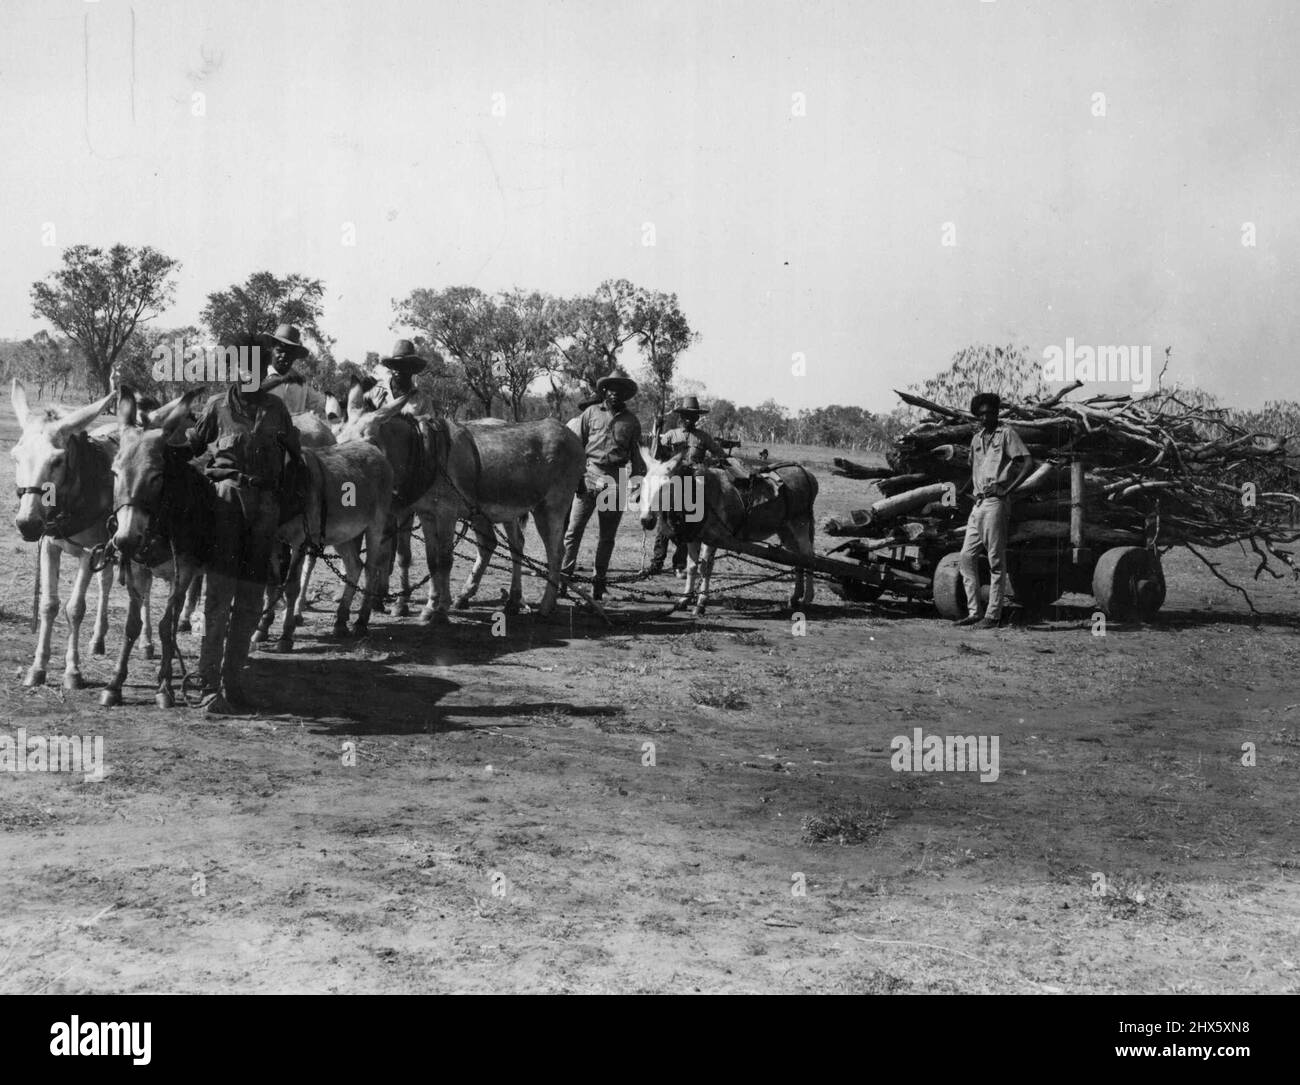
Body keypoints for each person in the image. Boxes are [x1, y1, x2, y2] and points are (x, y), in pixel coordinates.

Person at [187, 334, 302, 712]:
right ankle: (208, 684)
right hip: (225, 506)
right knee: (218, 597)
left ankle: (234, 682)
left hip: (264, 511)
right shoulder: (217, 407)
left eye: (255, 368)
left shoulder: (277, 410)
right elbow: (191, 448)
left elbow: (295, 458)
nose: (248, 374)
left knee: (250, 599)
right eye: (243, 366)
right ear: (234, 368)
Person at [561, 374, 646, 601]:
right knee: (572, 532)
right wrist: (578, 477)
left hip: (616, 479)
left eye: (620, 389)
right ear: (605, 391)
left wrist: (637, 484)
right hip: (590, 475)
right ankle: (562, 580)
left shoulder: (631, 421)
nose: (615, 393)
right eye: (611, 388)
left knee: (607, 537)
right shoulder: (589, 414)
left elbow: (636, 456)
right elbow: (576, 448)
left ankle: (599, 585)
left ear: (625, 394)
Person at [956, 392, 1033, 630]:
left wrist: (1007, 489)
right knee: (966, 558)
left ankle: (993, 614)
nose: (986, 417)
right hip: (977, 504)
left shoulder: (1007, 434)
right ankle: (973, 612)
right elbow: (973, 471)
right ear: (977, 417)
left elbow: (1028, 462)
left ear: (997, 413)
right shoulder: (976, 438)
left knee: (995, 561)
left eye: (990, 413)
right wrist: (961, 493)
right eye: (981, 414)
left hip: (995, 504)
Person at [649, 395, 729, 575]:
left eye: (692, 416)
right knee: (663, 524)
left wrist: (709, 463)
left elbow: (720, 454)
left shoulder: (703, 437)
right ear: (680, 417)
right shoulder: (671, 434)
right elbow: (656, 454)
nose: (688, 419)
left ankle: (679, 565)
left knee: (686, 526)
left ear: (696, 418)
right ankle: (657, 563)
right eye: (685, 415)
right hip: (671, 483)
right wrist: (658, 427)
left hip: (693, 485)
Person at [264, 323, 329, 417]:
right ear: (271, 350)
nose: (283, 356)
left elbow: (320, 402)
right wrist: (280, 380)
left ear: (295, 357)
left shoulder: (300, 382)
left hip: (296, 430)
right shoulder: (259, 376)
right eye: (279, 350)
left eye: (289, 353)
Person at [365, 339, 432, 414]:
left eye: (403, 365)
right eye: (395, 365)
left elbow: (430, 421)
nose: (398, 369)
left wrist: (420, 420)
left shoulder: (422, 400)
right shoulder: (375, 392)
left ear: (411, 369)